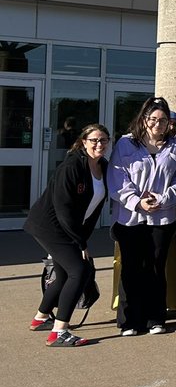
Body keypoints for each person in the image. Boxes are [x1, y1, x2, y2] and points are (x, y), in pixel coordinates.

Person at [26, 123, 110, 347]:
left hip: (69, 228)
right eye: (94, 140)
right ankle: (58, 333)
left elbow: (95, 210)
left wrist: (83, 238)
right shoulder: (72, 166)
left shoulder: (104, 167)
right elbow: (63, 209)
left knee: (64, 274)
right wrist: (80, 242)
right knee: (79, 271)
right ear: (84, 142)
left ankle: (41, 318)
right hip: (50, 226)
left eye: (103, 140)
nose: (99, 144)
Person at [108, 98, 176, 337]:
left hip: (161, 218)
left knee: (156, 268)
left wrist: (162, 199)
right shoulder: (126, 144)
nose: (158, 124)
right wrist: (137, 202)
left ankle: (155, 318)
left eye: (163, 120)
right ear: (144, 120)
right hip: (130, 218)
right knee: (131, 268)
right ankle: (130, 320)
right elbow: (117, 178)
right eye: (153, 119)